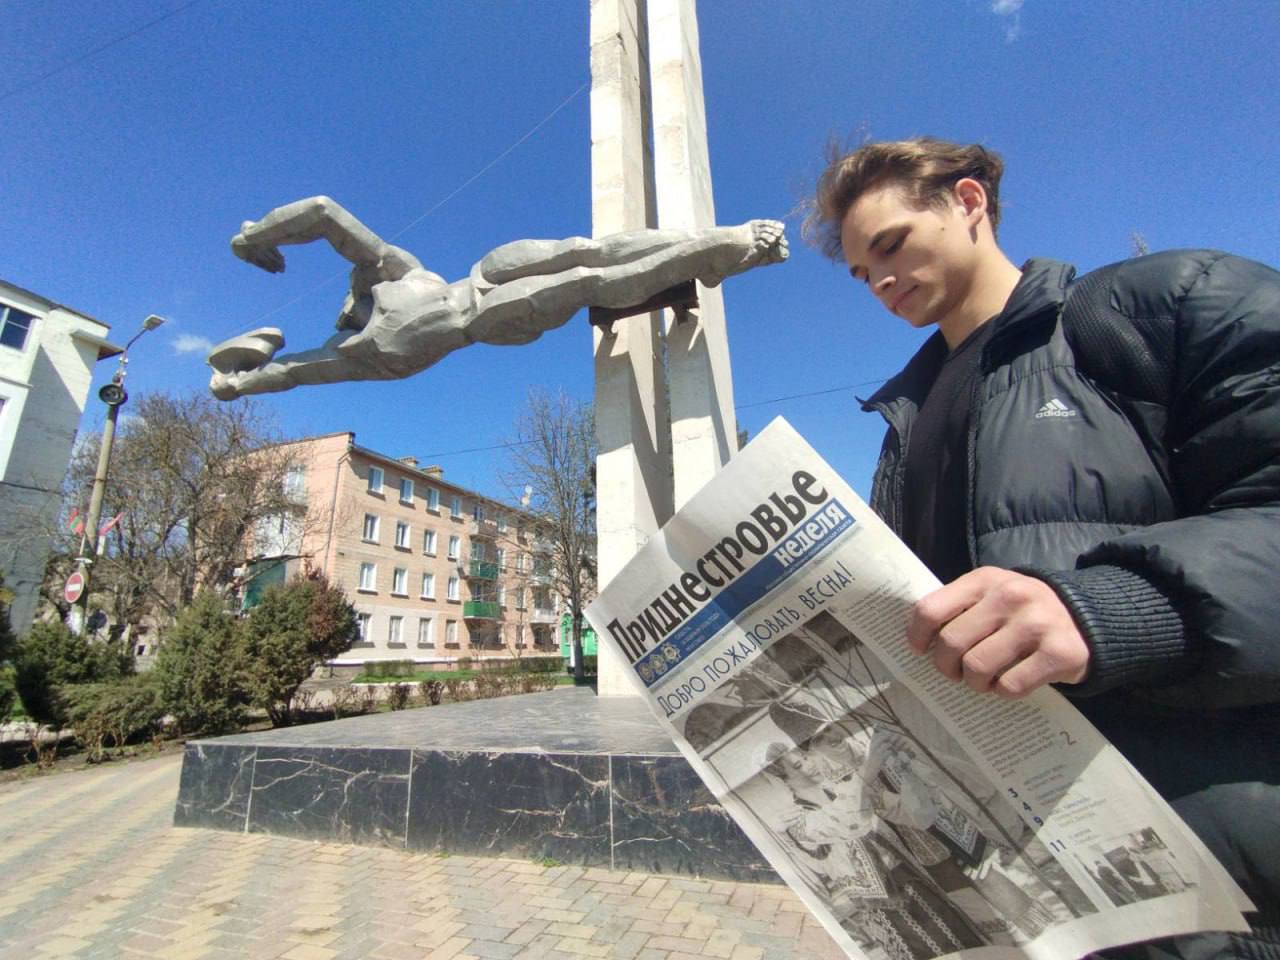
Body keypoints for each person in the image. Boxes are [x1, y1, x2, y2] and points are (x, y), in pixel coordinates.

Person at [804, 137, 1280, 958]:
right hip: (1016, 880)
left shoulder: (1161, 306)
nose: (878, 280)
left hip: (1202, 873)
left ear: (967, 202)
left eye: (890, 245)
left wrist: (1115, 610)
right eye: (859, 272)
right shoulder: (903, 422)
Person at [207, 196, 787, 399]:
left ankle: (712, 240)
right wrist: (238, 382)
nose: (346, 311)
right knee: (587, 281)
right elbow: (292, 373)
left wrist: (255, 237)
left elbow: (324, 212)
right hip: (486, 319)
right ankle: (723, 249)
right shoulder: (368, 355)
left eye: (347, 304)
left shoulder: (394, 274)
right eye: (345, 316)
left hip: (480, 274)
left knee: (586, 250)